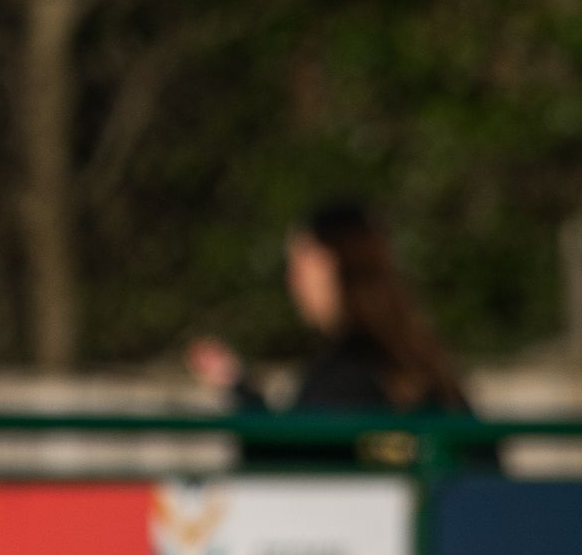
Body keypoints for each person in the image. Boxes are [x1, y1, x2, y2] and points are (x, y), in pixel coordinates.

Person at [187, 198, 479, 466]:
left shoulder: (346, 375)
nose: (292, 281)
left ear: (332, 263)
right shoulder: (421, 358)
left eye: (300, 264)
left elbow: (286, 460)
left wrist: (243, 395)